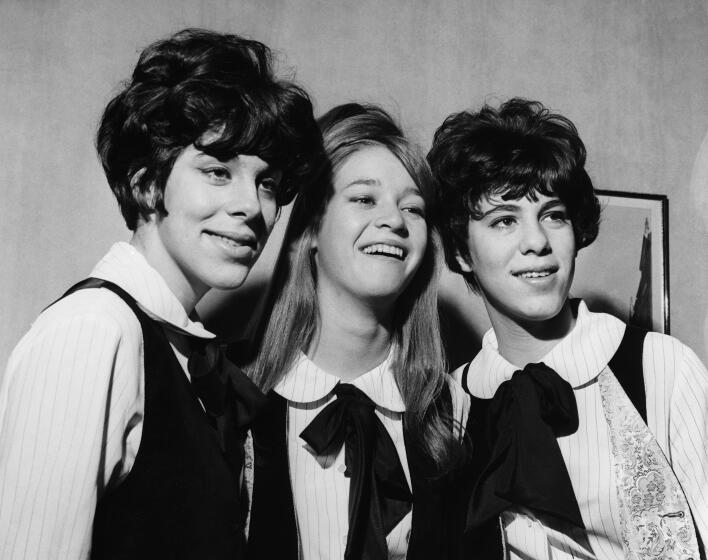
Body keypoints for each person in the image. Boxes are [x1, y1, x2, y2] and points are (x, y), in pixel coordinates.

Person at [0, 28, 321, 559]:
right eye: (219, 171)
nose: (252, 206)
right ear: (147, 183)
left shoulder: (184, 352)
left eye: (267, 183)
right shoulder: (92, 331)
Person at [428, 98, 708, 560]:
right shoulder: (449, 406)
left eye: (553, 214)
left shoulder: (662, 367)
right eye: (504, 220)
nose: (537, 242)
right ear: (460, 252)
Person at [247, 103, 469, 560]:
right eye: (365, 198)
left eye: (414, 207)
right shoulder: (227, 398)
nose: (394, 220)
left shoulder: (453, 413)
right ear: (310, 226)